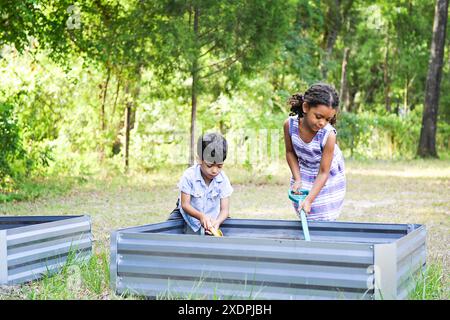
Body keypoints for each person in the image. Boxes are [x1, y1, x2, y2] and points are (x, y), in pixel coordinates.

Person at [283, 83, 346, 221]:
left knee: (323, 215)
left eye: (327, 119)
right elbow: (290, 153)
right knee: (305, 211)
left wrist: (310, 200)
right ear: (305, 107)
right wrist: (297, 178)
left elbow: (324, 172)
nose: (322, 123)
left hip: (326, 174)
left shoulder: (328, 135)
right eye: (318, 117)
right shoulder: (289, 125)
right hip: (304, 170)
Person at [168, 132, 233, 235]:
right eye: (209, 165)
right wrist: (201, 216)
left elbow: (225, 210)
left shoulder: (223, 179)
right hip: (187, 215)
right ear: (199, 159)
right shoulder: (189, 176)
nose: (215, 170)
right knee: (168, 232)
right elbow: (185, 205)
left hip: (212, 217)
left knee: (228, 232)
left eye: (219, 166)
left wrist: (217, 222)